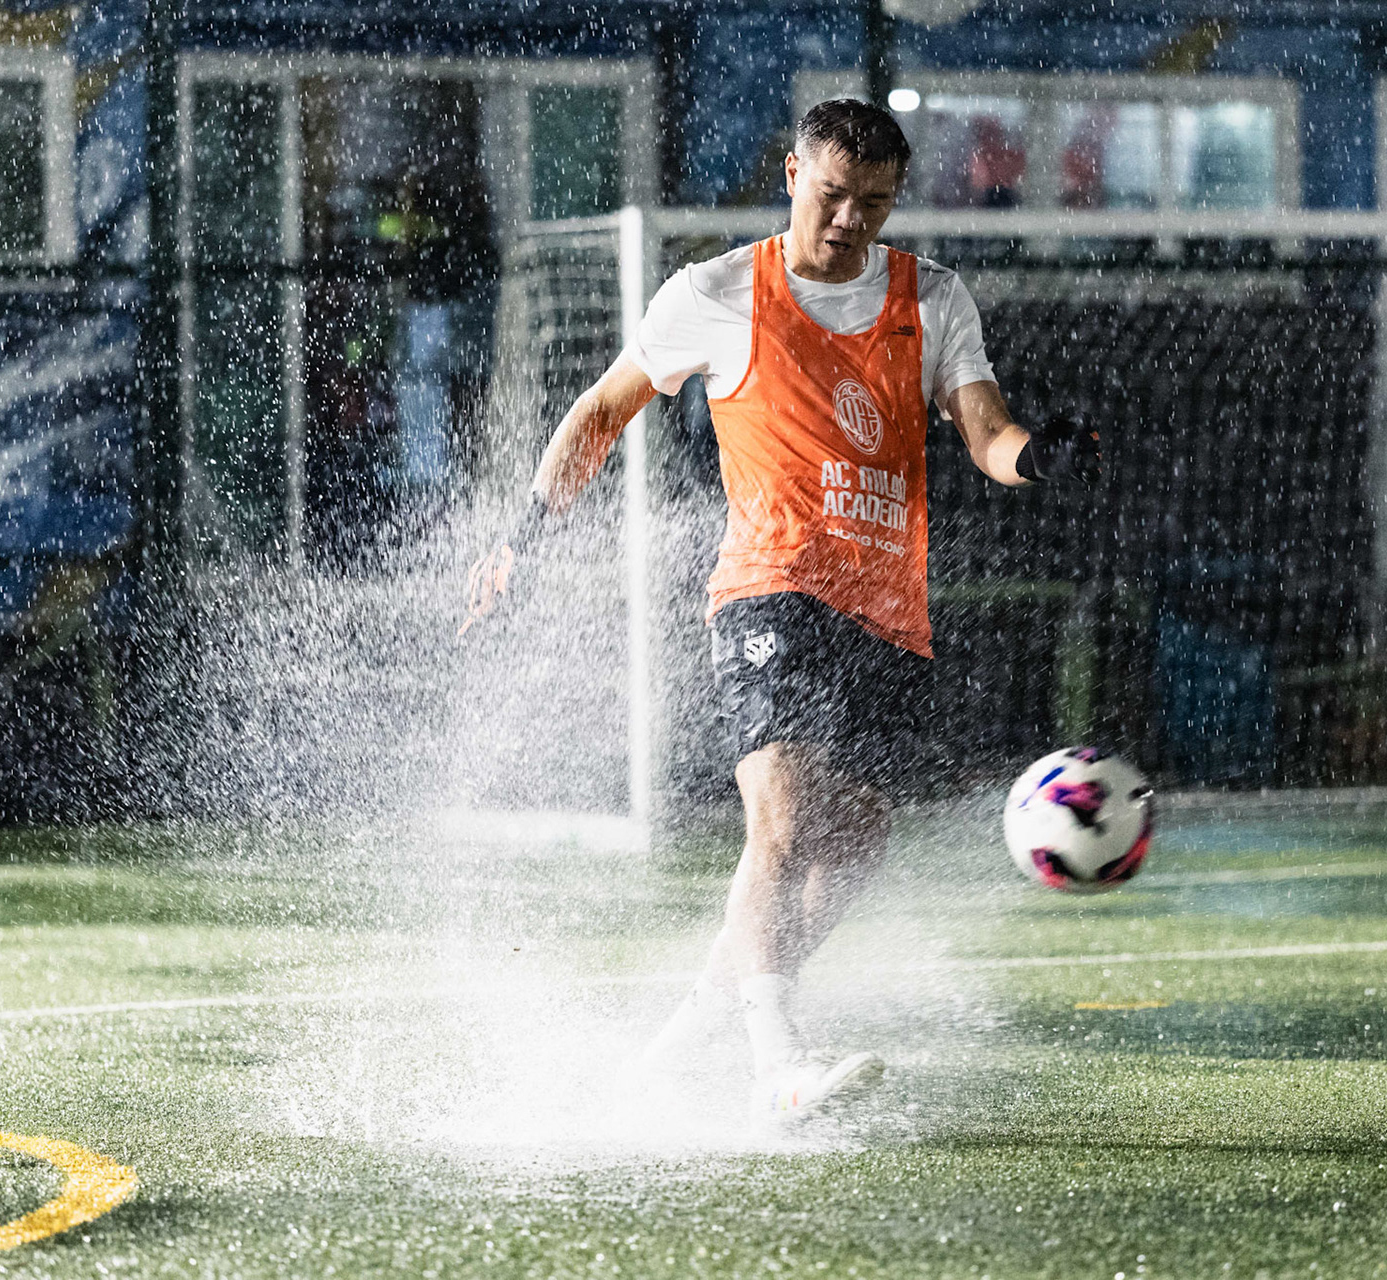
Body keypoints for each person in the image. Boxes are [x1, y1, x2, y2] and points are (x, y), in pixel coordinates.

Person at [468, 98, 1099, 1122]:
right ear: (795, 176)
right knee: (786, 818)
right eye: (835, 194)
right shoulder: (716, 292)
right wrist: (523, 534)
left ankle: (680, 1043)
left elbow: (986, 433)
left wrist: (1037, 457)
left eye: (876, 202)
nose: (852, 219)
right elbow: (602, 409)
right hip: (771, 586)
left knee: (854, 841)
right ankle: (776, 1061)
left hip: (886, 613)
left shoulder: (934, 299)